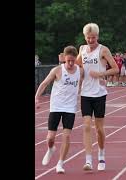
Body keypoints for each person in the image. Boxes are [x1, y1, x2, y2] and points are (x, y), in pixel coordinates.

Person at [76, 23, 119, 171]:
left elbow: (115, 68)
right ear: (85, 37)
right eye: (88, 38)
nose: (91, 41)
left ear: (97, 37)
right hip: (85, 93)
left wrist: (101, 74)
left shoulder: (103, 50)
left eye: (93, 38)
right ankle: (88, 160)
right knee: (86, 126)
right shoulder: (82, 49)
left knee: (99, 128)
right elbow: (77, 67)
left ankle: (101, 155)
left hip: (99, 94)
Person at [35, 46, 83, 174]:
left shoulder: (80, 71)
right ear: (64, 59)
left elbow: (85, 82)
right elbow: (44, 83)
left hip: (70, 108)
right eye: (68, 61)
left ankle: (60, 163)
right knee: (50, 137)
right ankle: (51, 149)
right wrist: (36, 98)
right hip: (56, 106)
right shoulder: (57, 70)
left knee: (66, 136)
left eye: (73, 61)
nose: (71, 64)